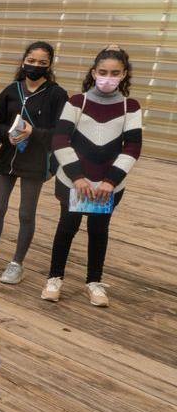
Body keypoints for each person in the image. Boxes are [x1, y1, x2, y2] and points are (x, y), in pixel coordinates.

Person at [42, 46, 141, 307]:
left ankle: (93, 282)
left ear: (124, 74)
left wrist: (110, 181)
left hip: (108, 185)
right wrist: (77, 177)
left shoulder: (130, 106)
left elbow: (132, 146)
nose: (108, 77)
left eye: (115, 72)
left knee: (99, 230)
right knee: (67, 228)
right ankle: (55, 278)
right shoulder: (77, 101)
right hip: (74, 182)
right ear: (94, 72)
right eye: (103, 71)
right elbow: (60, 139)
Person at [0, 42, 68, 284]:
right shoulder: (11, 91)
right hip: (7, 159)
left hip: (35, 162)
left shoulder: (57, 94)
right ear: (23, 61)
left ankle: (16, 263)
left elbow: (61, 132)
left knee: (26, 214)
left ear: (49, 65)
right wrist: (5, 135)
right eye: (32, 60)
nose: (35, 66)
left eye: (42, 63)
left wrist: (34, 132)